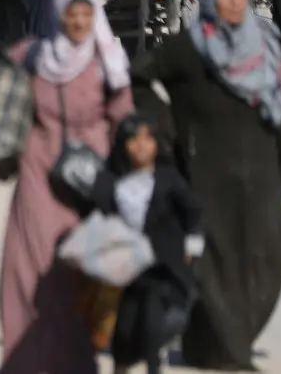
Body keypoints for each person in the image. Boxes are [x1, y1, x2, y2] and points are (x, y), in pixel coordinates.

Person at [129, 0, 281, 370]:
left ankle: (207, 344)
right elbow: (138, 77)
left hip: (264, 168)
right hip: (206, 167)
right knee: (216, 261)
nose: (234, 1)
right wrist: (163, 126)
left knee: (269, 259)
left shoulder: (267, 43)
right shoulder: (189, 48)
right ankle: (232, 354)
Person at [0, 0, 134, 374]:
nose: (78, 22)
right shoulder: (32, 56)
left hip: (90, 185)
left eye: (85, 14)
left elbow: (126, 122)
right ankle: (24, 362)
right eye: (70, 14)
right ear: (57, 14)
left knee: (81, 277)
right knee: (28, 271)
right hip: (38, 177)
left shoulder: (108, 63)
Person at [93, 113, 204, 374]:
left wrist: (192, 245)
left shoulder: (167, 178)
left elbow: (193, 211)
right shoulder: (111, 180)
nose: (141, 145)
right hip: (128, 269)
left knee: (152, 324)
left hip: (163, 267)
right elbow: (98, 209)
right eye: (133, 139)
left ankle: (155, 368)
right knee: (124, 330)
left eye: (147, 138)